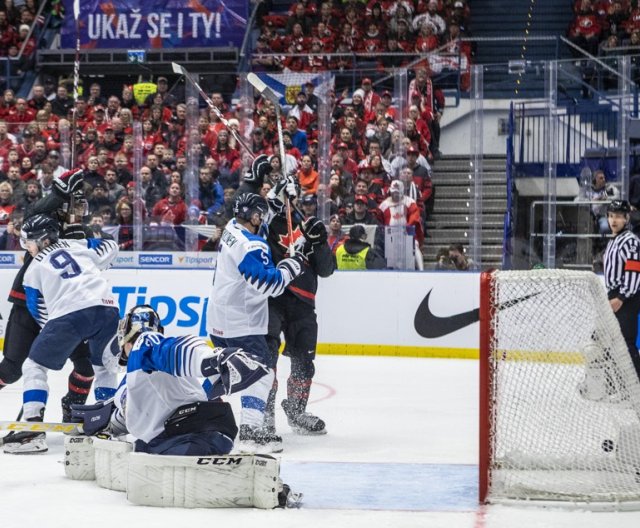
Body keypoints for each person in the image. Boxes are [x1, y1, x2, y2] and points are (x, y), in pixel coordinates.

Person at [74, 305, 269, 456]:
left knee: (142, 449)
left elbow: (175, 351)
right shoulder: (135, 379)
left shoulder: (145, 344)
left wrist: (213, 360)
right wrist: (97, 420)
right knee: (142, 446)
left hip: (187, 434)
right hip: (197, 435)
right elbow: (129, 414)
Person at [4, 214, 120, 454]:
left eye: (29, 243)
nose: (28, 248)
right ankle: (105, 426)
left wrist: (62, 335)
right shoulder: (78, 245)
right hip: (108, 308)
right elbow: (111, 246)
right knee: (104, 368)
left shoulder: (33, 269)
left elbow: (39, 311)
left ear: (43, 241)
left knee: (34, 366)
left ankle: (32, 429)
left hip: (69, 316)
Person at [206, 193, 304, 452]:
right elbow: (266, 284)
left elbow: (257, 226)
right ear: (255, 216)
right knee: (261, 373)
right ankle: (251, 431)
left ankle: (194, 412)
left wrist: (273, 198)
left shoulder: (230, 228)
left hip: (218, 319)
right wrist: (289, 268)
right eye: (262, 214)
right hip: (241, 323)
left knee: (222, 374)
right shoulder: (252, 246)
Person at [263, 177, 335, 436]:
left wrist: (321, 242)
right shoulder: (267, 222)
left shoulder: (308, 228)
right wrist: (272, 199)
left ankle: (296, 410)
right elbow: (247, 221)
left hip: (303, 303)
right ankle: (264, 413)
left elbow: (326, 270)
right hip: (272, 298)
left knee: (304, 361)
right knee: (267, 358)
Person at [602, 199, 640, 379]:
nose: (613, 220)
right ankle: (615, 383)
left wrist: (621, 297)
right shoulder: (614, 240)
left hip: (626, 296)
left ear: (626, 218)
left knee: (626, 342)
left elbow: (634, 272)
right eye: (610, 216)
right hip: (615, 295)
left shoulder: (629, 241)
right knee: (612, 342)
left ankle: (637, 385)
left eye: (618, 216)